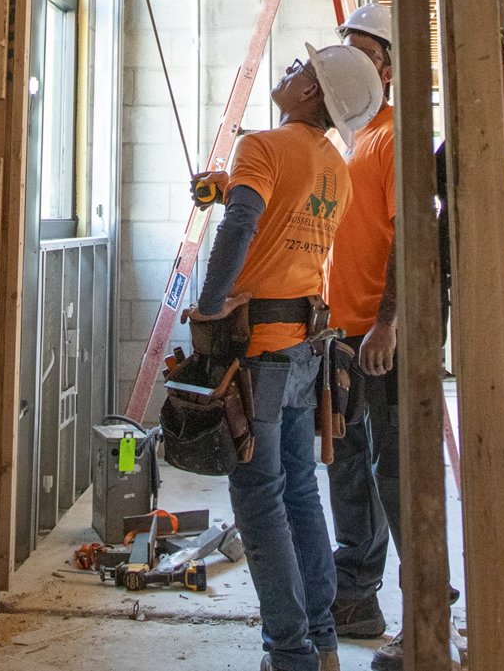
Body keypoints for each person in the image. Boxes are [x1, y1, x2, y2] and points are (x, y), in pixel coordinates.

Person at [188, 44, 385, 671]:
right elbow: (283, 216)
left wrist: (211, 304)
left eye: (301, 71)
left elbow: (243, 226)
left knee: (258, 496)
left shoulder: (264, 146)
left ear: (311, 94)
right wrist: (229, 191)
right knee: (300, 491)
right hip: (307, 351)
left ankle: (290, 652)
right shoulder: (337, 165)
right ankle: (321, 642)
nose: (288, 74)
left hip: (260, 354)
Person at [322, 3, 403, 667]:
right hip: (343, 331)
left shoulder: (395, 135)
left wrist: (388, 320)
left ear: (386, 65)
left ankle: (418, 600)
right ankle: (355, 594)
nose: (347, 59)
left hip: (377, 334)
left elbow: (411, 236)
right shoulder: (358, 135)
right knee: (349, 467)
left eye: (360, 49)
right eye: (342, 47)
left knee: (392, 471)